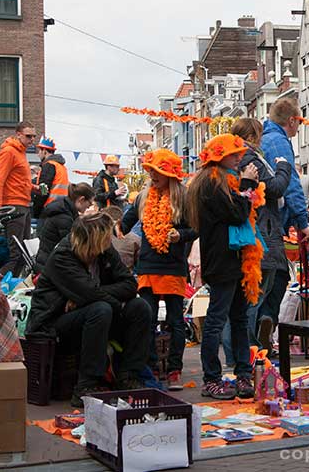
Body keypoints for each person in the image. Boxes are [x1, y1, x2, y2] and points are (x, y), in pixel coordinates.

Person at [26, 214, 149, 407]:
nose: (111, 241)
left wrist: (90, 296)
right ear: (94, 240)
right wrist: (106, 300)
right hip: (54, 323)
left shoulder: (105, 251)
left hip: (97, 313)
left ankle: (128, 376)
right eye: (107, 237)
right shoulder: (63, 256)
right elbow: (92, 295)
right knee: (100, 309)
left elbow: (129, 285)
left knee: (140, 307)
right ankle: (86, 385)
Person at [188, 134, 260, 400]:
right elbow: (236, 213)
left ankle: (243, 374)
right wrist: (248, 186)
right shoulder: (210, 184)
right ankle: (212, 379)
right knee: (217, 320)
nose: (239, 158)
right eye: (234, 154)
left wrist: (243, 189)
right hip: (222, 261)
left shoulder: (219, 181)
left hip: (234, 260)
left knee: (238, 319)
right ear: (220, 158)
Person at [120, 149, 196, 391]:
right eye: (150, 170)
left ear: (169, 175)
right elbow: (123, 222)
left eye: (157, 171)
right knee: (148, 319)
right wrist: (113, 232)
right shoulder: (143, 197)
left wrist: (180, 235)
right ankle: (151, 367)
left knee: (175, 321)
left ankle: (174, 369)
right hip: (148, 266)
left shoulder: (183, 198)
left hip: (174, 267)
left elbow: (196, 229)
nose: (152, 175)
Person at [223, 118, 291, 361]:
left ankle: (247, 351)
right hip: (262, 233)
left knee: (253, 295)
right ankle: (244, 355)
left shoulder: (243, 160)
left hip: (261, 231)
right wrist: (285, 167)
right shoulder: (251, 160)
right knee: (253, 296)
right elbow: (275, 187)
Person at [258, 98, 309, 354]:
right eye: (298, 122)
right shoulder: (280, 142)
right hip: (270, 223)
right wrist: (302, 222)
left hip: (262, 221)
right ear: (291, 121)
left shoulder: (263, 138)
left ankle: (260, 330)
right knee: (278, 275)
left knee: (267, 277)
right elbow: (289, 184)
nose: (299, 128)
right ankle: (263, 327)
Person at [0, 122, 36, 275]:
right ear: (18, 134)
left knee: (23, 253)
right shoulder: (9, 152)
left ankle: (9, 286)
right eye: (28, 136)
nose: (32, 140)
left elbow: (17, 180)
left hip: (22, 205)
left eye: (33, 137)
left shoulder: (21, 152)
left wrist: (33, 187)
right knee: (16, 254)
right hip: (14, 206)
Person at [35, 182, 95, 272]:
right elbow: (72, 246)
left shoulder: (65, 210)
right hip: (50, 267)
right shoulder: (64, 218)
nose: (90, 206)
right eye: (90, 203)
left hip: (46, 261)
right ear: (81, 200)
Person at [32, 136, 69, 219]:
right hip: (61, 207)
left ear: (44, 151)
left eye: (39, 151)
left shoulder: (49, 166)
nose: (38, 154)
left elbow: (43, 190)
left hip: (48, 209)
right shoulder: (61, 167)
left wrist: (36, 211)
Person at [104, 205, 141, 271]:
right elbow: (139, 263)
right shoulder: (135, 239)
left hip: (103, 275)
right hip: (126, 274)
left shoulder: (97, 237)